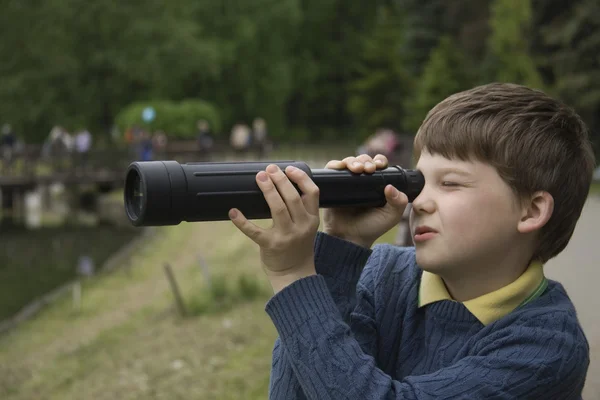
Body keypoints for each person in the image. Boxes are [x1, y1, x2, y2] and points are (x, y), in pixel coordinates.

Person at [229, 82, 594, 399]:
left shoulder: (547, 347)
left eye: (450, 183)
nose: (417, 201)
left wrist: (295, 275)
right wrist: (342, 245)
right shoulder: (383, 273)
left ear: (530, 211)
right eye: (417, 182)